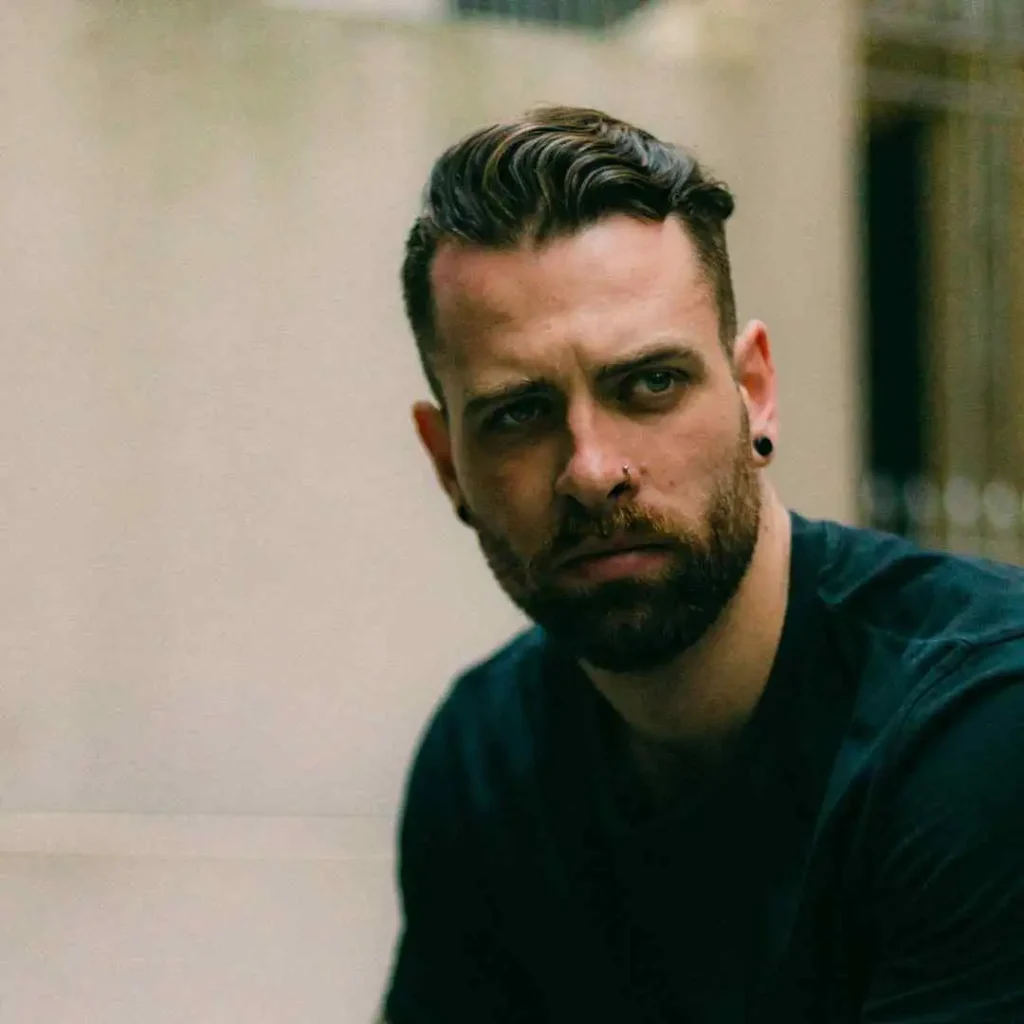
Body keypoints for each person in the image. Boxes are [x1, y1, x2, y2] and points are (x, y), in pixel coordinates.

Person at [380, 106, 1024, 1023]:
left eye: (649, 383)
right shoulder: (484, 759)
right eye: (518, 414)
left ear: (753, 391)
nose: (593, 471)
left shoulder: (982, 724)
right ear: (449, 462)